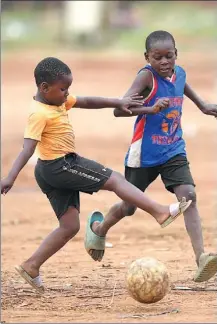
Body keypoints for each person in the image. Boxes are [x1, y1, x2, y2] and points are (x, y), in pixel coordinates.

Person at [1, 57, 191, 293]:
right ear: (44, 87)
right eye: (63, 89)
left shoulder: (56, 100)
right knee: (116, 180)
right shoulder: (39, 114)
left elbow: (87, 101)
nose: (67, 94)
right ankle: (159, 211)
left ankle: (31, 265)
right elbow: (27, 149)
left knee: (69, 226)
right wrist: (10, 177)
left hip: (50, 169)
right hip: (60, 165)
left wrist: (118, 101)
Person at [87, 30, 217, 283]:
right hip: (143, 153)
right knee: (129, 206)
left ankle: (202, 258)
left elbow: (182, 85)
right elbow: (119, 110)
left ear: (176, 54)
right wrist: (150, 108)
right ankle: (98, 230)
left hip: (173, 149)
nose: (164, 62)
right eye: (158, 57)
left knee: (188, 195)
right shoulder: (146, 77)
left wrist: (202, 105)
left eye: (169, 56)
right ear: (147, 57)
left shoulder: (179, 73)